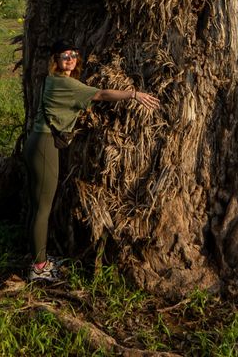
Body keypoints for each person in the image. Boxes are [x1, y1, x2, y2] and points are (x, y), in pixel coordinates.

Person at [23, 38, 160, 283]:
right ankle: (39, 267)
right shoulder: (65, 84)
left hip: (38, 142)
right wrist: (134, 94)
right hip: (44, 146)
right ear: (55, 61)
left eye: (73, 55)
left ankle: (37, 256)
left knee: (37, 205)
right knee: (43, 207)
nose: (70, 59)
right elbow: (101, 94)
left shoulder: (54, 81)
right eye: (64, 56)